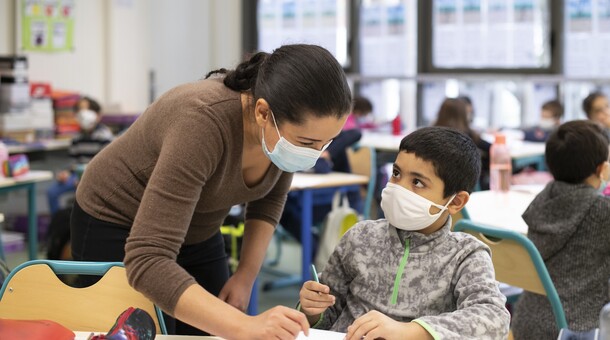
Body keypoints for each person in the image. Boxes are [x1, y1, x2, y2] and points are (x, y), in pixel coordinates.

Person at [70, 44, 353, 338]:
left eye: (327, 142)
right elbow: (148, 259)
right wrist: (245, 325)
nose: (315, 154)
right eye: (306, 143)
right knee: (137, 330)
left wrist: (245, 275)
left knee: (209, 328)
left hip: (198, 226)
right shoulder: (202, 121)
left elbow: (269, 197)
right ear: (262, 113)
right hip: (116, 219)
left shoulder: (281, 136)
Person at [299, 126, 511, 339]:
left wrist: (408, 331)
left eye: (417, 182)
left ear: (455, 201)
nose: (398, 187)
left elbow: (493, 319)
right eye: (396, 173)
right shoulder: (360, 237)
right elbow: (328, 312)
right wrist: (311, 312)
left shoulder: (465, 255)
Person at [511, 120, 610, 339]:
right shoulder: (602, 210)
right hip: (581, 328)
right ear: (601, 169)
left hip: (527, 320)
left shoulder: (543, 199)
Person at [46, 96, 114, 215]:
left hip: (96, 178)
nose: (81, 114)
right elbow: (73, 163)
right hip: (77, 177)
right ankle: (57, 226)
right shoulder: (76, 139)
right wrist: (66, 173)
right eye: (79, 111)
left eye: (85, 110)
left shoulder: (105, 137)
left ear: (97, 115)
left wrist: (85, 180)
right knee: (52, 192)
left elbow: (106, 167)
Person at [433, 97, 491, 190]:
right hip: (471, 189)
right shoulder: (471, 136)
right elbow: (491, 148)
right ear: (464, 115)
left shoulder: (431, 135)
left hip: (438, 188)